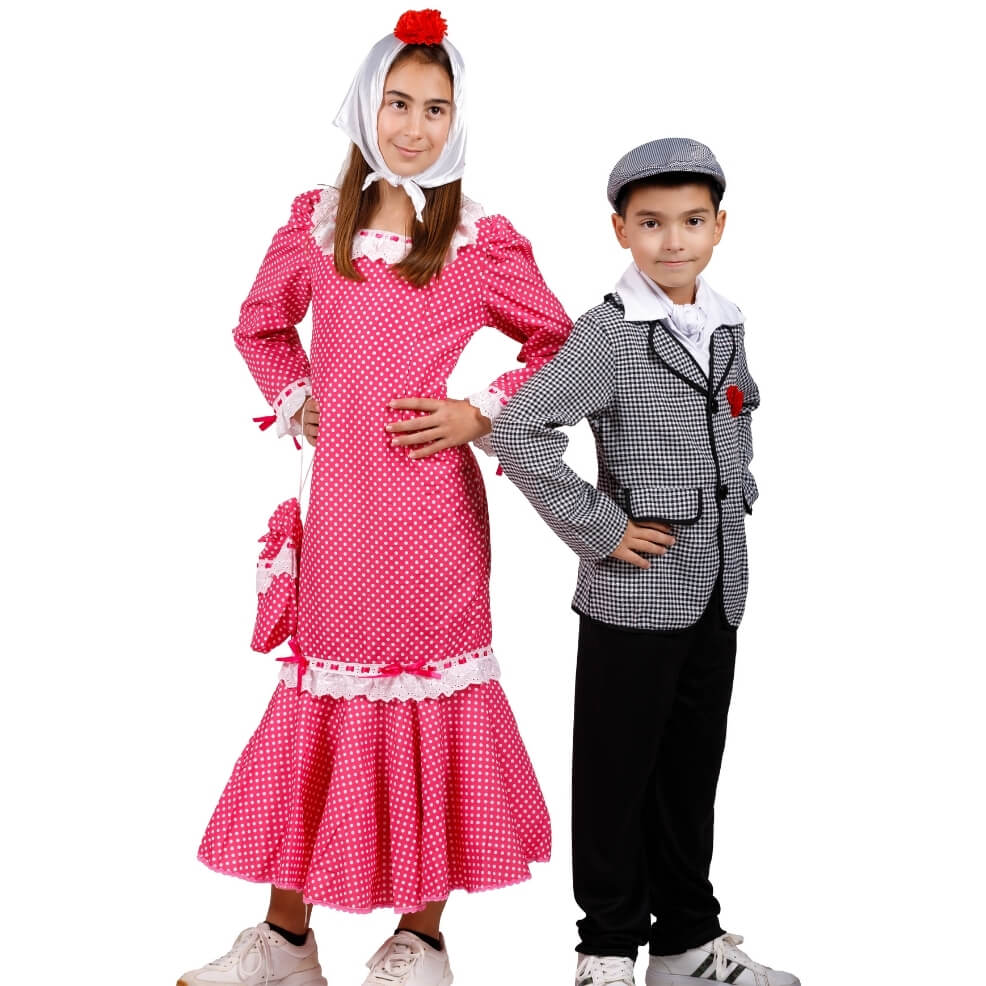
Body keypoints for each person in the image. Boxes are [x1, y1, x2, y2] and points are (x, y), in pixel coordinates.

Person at [178, 10, 571, 986]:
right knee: (320, 701)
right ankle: (285, 940)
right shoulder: (318, 227)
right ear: (365, 106)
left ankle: (418, 938)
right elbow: (260, 326)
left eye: (436, 109)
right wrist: (297, 396)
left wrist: (478, 411)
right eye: (398, 103)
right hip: (343, 516)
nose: (414, 126)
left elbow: (560, 344)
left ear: (456, 121)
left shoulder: (478, 241)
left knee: (431, 705)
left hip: (436, 522)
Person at [491, 138, 799, 986]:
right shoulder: (609, 334)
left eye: (692, 222)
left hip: (719, 586)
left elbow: (733, 420)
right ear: (621, 229)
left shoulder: (728, 323)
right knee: (616, 777)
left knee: (690, 773)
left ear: (719, 226)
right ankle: (605, 951)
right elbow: (520, 431)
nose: (674, 241)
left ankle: (687, 943)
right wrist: (602, 529)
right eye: (653, 223)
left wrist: (738, 492)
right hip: (634, 594)